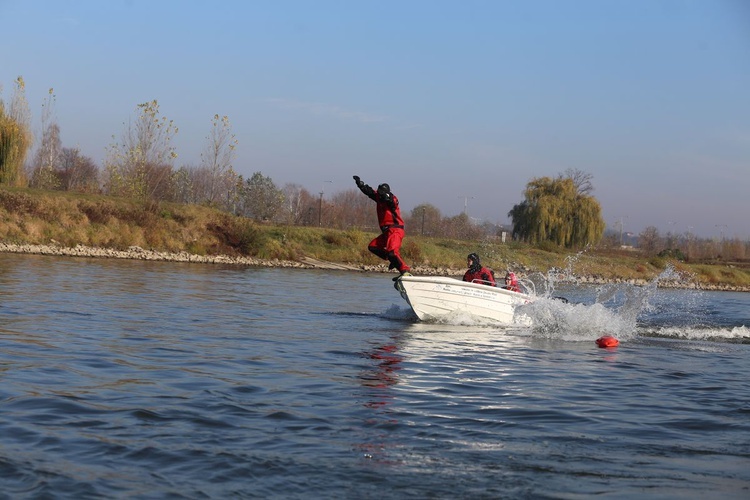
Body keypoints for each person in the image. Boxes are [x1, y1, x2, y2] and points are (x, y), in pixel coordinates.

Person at [353, 175, 411, 277]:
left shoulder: (392, 199)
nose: (379, 195)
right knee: (373, 247)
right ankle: (392, 259)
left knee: (392, 252)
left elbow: (392, 201)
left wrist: (387, 197)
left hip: (395, 230)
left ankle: (405, 272)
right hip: (386, 232)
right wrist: (360, 184)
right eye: (379, 192)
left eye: (381, 193)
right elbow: (369, 191)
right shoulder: (378, 197)